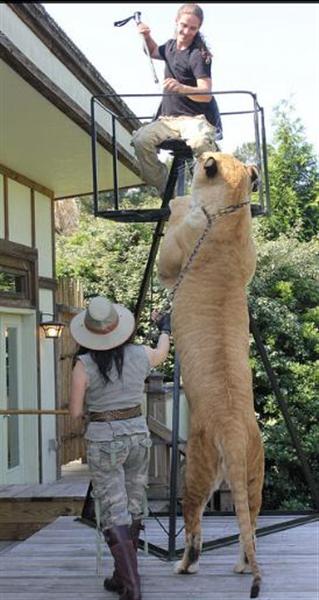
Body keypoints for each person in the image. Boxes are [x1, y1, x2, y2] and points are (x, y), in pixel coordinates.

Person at [69, 296, 171, 600]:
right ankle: (120, 575)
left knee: (114, 511)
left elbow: (75, 412)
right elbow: (163, 353)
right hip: (138, 436)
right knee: (134, 503)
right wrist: (164, 327)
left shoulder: (84, 364)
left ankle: (132, 586)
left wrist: (96, 410)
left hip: (104, 441)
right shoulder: (141, 354)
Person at [131, 3, 222, 197]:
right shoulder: (170, 47)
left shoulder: (199, 55)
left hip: (195, 120)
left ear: (198, 29)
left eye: (193, 28)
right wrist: (146, 36)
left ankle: (208, 189)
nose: (186, 31)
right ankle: (166, 189)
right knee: (141, 140)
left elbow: (206, 93)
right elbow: (153, 51)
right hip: (168, 120)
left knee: (199, 142)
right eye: (184, 25)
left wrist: (181, 88)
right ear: (176, 22)